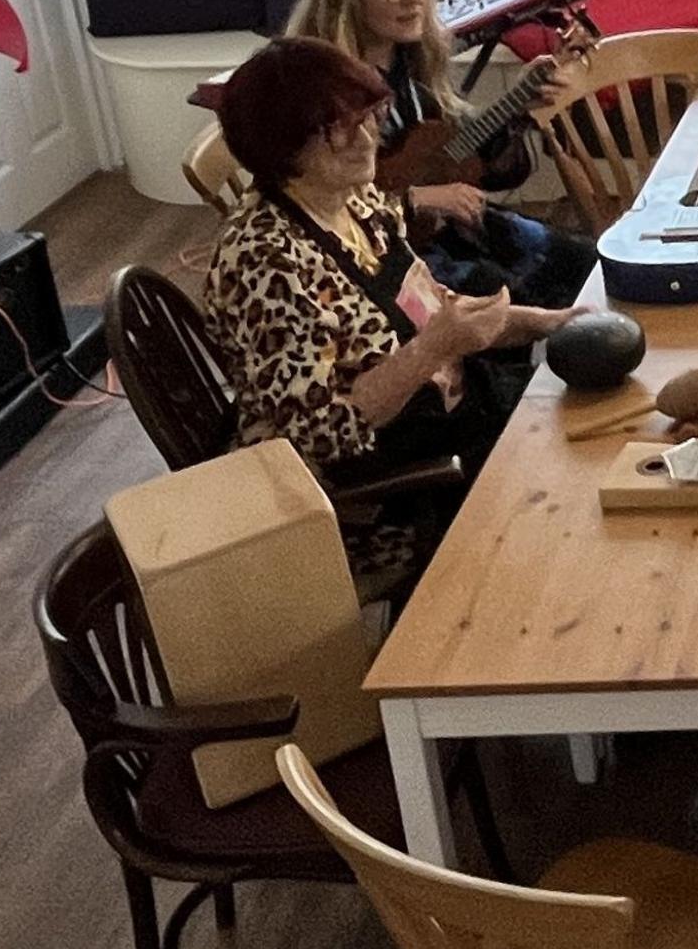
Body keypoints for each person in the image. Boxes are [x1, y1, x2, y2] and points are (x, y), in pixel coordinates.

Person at [200, 37, 580, 582]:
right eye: (335, 131)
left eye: (366, 117)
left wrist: (546, 323)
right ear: (281, 148)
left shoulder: (356, 201)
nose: (364, 139)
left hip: (438, 416)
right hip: (375, 492)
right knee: (562, 482)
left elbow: (434, 310)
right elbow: (318, 435)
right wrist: (434, 349)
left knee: (581, 414)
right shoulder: (267, 261)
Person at [285, 0, 597, 308]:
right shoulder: (318, 90)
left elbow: (466, 159)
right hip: (382, 263)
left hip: (441, 232)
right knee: (508, 302)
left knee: (586, 263)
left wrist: (520, 105)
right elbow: (319, 212)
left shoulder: (407, 62)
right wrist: (420, 198)